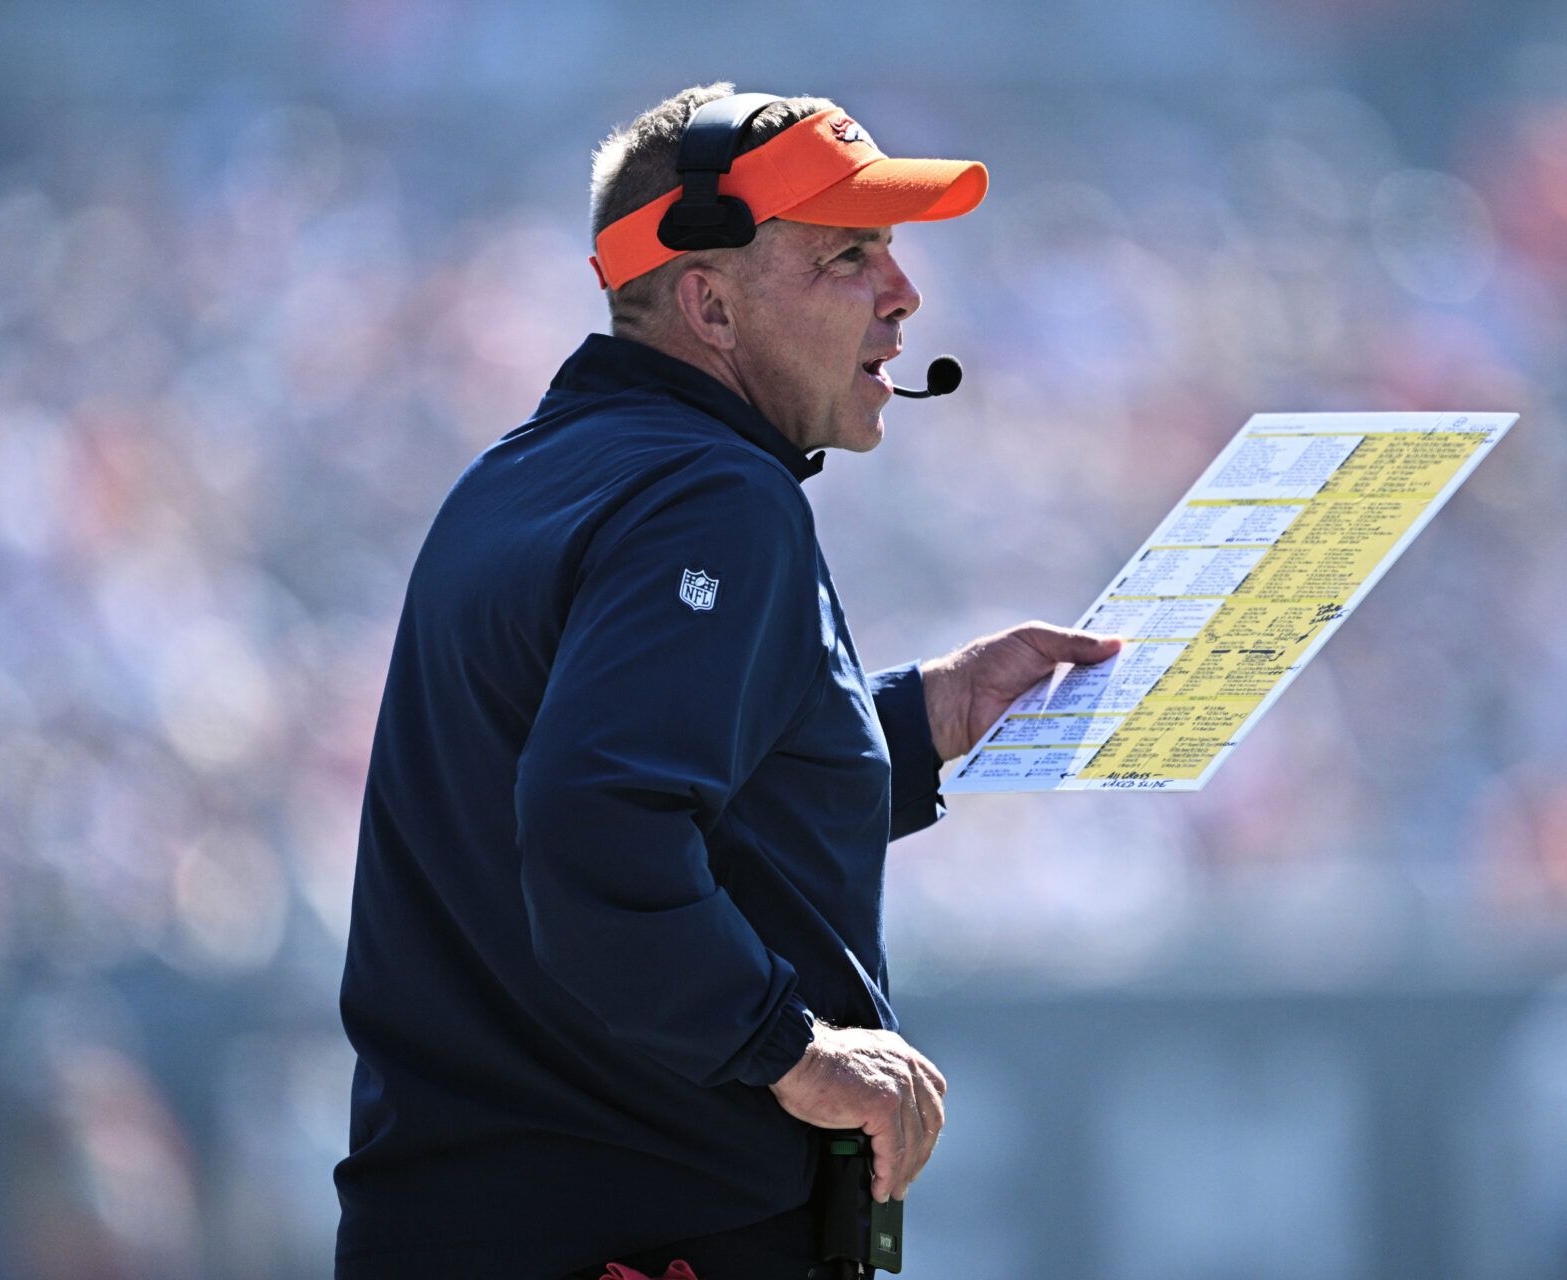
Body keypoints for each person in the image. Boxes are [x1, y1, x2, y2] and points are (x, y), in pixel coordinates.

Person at [333, 83, 1122, 1280]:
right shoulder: (713, 492)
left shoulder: (522, 472)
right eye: (847, 257)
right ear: (706, 301)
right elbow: (600, 824)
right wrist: (794, 1052)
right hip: (643, 1237)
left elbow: (629, 793)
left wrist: (925, 720)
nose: (904, 294)